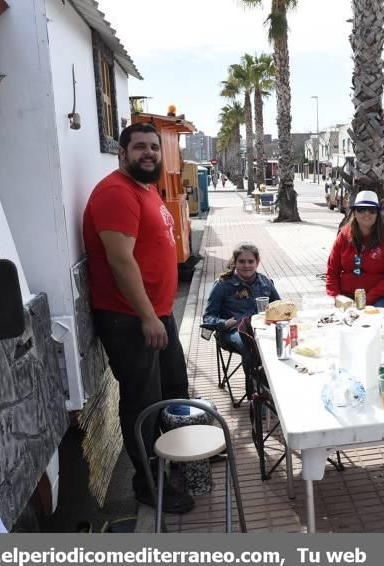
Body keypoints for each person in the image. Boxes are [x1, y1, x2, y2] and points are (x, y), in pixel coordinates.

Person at [83, 122, 193, 514]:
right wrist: (148, 317)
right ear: (122, 153)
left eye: (153, 148)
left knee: (173, 392)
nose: (149, 153)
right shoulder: (115, 193)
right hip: (132, 320)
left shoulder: (145, 189)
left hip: (157, 315)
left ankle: (175, 460)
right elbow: (119, 260)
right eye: (140, 148)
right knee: (143, 402)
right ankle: (147, 482)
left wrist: (157, 315)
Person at [203, 243, 280, 371]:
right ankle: (255, 386)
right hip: (233, 331)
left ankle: (272, 379)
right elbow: (208, 317)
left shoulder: (265, 282)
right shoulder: (222, 284)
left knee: (283, 338)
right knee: (250, 345)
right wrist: (223, 323)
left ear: (257, 262)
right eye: (242, 261)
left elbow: (278, 306)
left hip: (262, 329)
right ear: (235, 262)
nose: (246, 265)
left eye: (250, 261)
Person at [326, 190, 384, 310]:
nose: (367, 213)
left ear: (377, 214)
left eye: (372, 210)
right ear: (354, 213)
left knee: (373, 320)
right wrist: (335, 297)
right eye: (361, 209)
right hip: (345, 297)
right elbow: (332, 271)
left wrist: (366, 300)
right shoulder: (344, 235)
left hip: (378, 298)